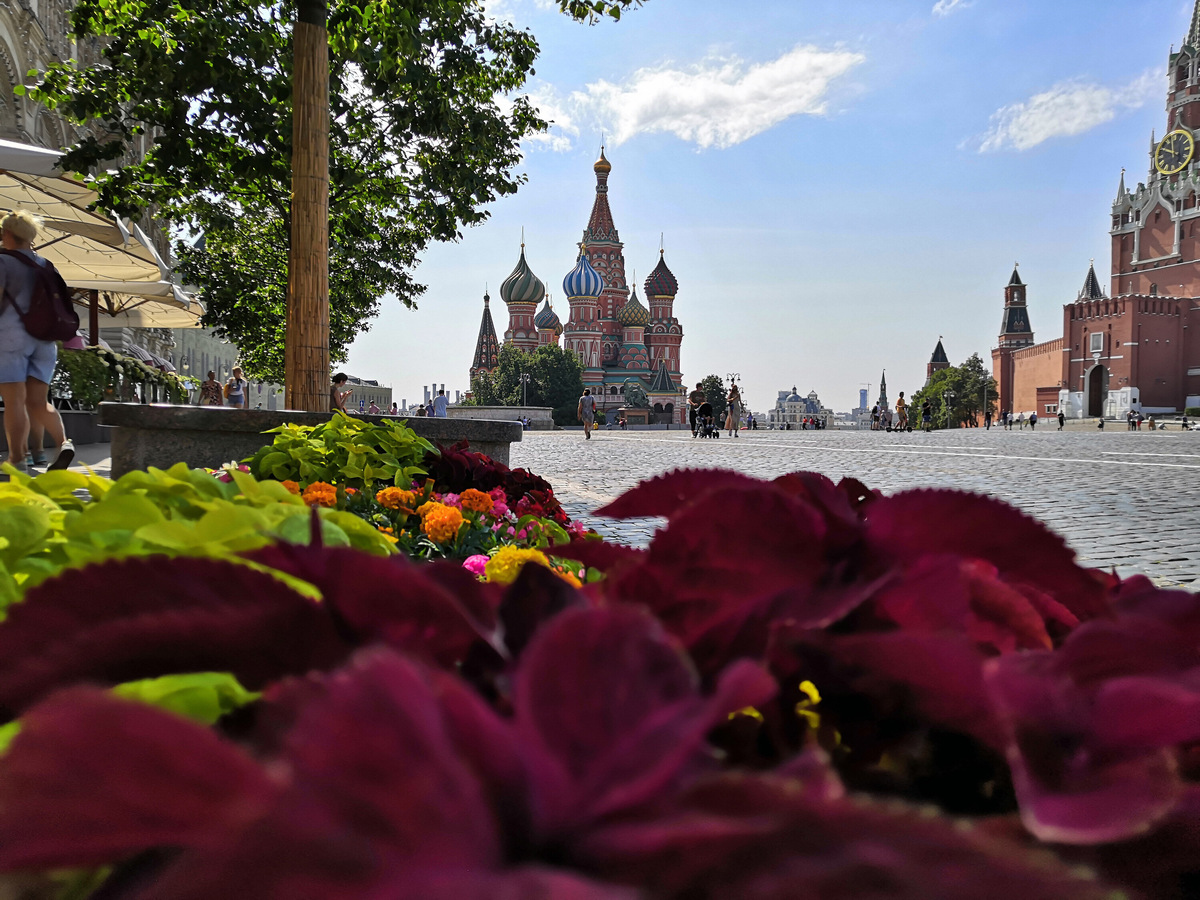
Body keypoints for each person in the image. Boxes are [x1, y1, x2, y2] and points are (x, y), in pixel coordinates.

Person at [0, 210, 74, 472]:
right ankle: (64, 443)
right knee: (38, 402)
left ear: (7, 234)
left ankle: (17, 459)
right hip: (45, 340)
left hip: (10, 340)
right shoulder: (46, 264)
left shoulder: (2, 262)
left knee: (14, 401)